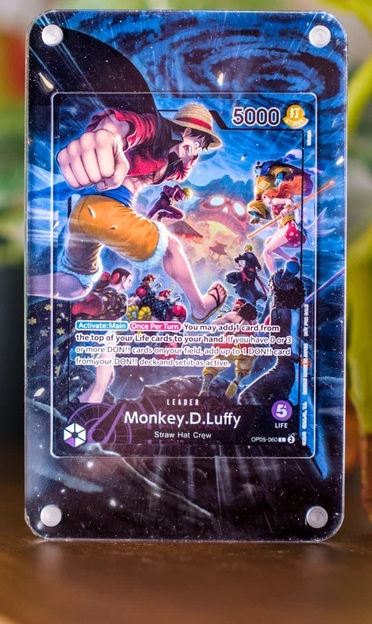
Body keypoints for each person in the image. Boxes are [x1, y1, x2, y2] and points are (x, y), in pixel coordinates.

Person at [29, 102, 226, 322]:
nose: (196, 152)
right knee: (171, 247)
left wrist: (187, 152)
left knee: (76, 284)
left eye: (201, 148)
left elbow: (180, 174)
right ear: (186, 131)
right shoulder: (157, 131)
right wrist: (108, 136)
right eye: (197, 143)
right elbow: (128, 126)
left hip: (85, 213)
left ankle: (24, 286)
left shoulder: (173, 163)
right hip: (105, 211)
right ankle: (200, 306)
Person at [71, 267, 133, 405]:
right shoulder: (121, 297)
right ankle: (90, 412)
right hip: (106, 337)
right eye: (129, 280)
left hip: (90, 335)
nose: (130, 284)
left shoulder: (102, 290)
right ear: (122, 278)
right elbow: (118, 321)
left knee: (109, 377)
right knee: (101, 386)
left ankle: (79, 403)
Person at [199, 299, 258, 401]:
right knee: (243, 368)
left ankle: (204, 389)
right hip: (247, 349)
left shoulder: (232, 316)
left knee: (211, 367)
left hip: (233, 347)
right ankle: (236, 381)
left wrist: (220, 319)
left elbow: (214, 325)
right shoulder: (254, 322)